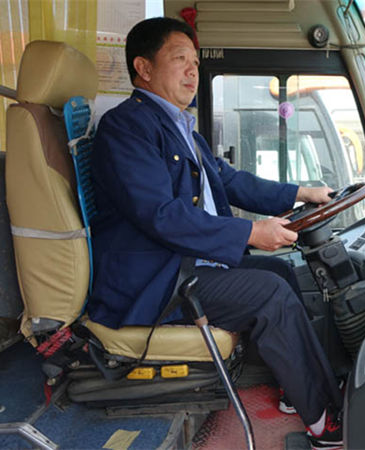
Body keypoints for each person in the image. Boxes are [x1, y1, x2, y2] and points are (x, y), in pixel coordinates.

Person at [89, 17, 343, 449]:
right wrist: (249, 232)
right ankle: (323, 421)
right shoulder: (126, 127)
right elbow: (161, 215)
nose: (193, 71)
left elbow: (229, 181)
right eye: (179, 59)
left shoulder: (180, 127)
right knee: (269, 293)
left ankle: (297, 386)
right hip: (153, 281)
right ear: (143, 68)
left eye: (195, 61)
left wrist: (301, 193)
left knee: (280, 272)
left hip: (183, 263)